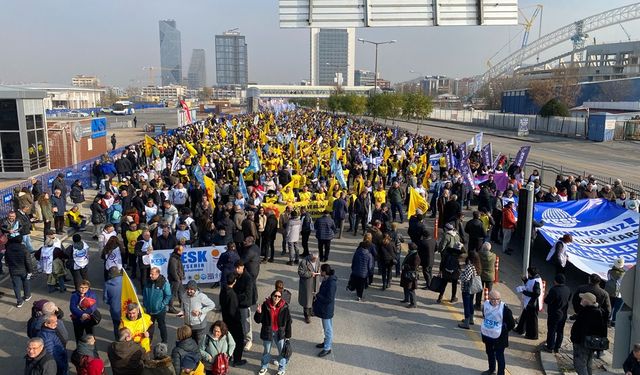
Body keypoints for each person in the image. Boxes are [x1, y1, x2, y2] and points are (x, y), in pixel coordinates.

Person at [254, 289, 292, 375]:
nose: (277, 298)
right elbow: (258, 320)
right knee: (267, 351)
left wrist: (288, 335)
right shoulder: (265, 305)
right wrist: (258, 313)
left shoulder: (284, 307)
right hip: (268, 332)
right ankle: (264, 366)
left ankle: (282, 369)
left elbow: (288, 321)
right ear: (272, 296)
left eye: (279, 296)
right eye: (275, 296)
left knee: (282, 351)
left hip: (280, 332)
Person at [570, 292, 608, 375]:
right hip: (591, 343)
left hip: (582, 342)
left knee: (580, 365)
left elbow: (582, 328)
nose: (581, 300)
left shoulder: (588, 312)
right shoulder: (599, 312)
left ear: (587, 301)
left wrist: (575, 339)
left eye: (583, 299)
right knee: (588, 363)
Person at [480, 290, 516, 375]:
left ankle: (501, 373)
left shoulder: (505, 309)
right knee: (489, 353)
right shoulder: (485, 305)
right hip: (488, 334)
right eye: (493, 299)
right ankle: (491, 370)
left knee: (499, 356)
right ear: (489, 298)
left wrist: (504, 330)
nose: (495, 301)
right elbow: (485, 316)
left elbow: (512, 324)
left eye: (497, 299)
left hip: (500, 337)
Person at [219, 274, 246, 367]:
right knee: (239, 340)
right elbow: (233, 311)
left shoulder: (223, 291)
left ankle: (228, 356)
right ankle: (237, 359)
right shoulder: (232, 294)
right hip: (234, 322)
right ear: (234, 282)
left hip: (225, 320)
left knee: (228, 339)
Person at [313, 264, 337, 357]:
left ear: (324, 272)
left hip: (327, 309)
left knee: (328, 329)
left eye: (321, 271)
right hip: (326, 309)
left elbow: (329, 299)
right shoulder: (327, 279)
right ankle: (326, 342)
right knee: (326, 328)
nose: (320, 272)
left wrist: (317, 295)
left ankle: (327, 348)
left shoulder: (331, 283)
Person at [181, 280, 216, 345]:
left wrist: (200, 312)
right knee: (190, 343)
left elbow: (212, 305)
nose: (189, 291)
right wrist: (182, 312)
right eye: (188, 289)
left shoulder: (201, 296)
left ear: (195, 289)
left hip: (199, 325)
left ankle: (199, 354)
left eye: (191, 289)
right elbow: (183, 305)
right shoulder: (184, 295)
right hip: (188, 324)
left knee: (199, 343)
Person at [143, 266, 172, 344]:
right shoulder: (147, 282)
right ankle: (148, 342)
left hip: (160, 311)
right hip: (149, 310)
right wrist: (145, 304)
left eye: (152, 274)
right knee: (149, 327)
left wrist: (161, 305)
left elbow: (168, 295)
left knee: (161, 326)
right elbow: (145, 294)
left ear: (157, 274)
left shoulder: (164, 283)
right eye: (150, 274)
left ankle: (164, 342)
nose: (150, 275)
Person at [544, 273, 571, 353]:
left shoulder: (554, 290)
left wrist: (547, 295)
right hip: (563, 313)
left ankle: (550, 347)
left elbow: (547, 301)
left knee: (552, 330)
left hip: (554, 313)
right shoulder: (567, 289)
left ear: (556, 281)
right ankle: (557, 347)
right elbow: (568, 298)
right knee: (560, 331)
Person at [514, 267, 542, 340]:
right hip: (529, 302)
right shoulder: (534, 278)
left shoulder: (536, 281)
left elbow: (536, 293)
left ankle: (532, 335)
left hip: (532, 303)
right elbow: (530, 285)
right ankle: (520, 329)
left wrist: (524, 292)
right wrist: (525, 280)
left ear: (530, 273)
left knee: (532, 320)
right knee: (524, 316)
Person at [233, 260, 256, 351]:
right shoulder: (236, 275)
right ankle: (242, 338)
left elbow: (247, 294)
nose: (236, 269)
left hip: (244, 304)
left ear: (242, 267)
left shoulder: (248, 278)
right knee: (240, 322)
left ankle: (249, 340)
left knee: (246, 323)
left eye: (238, 268)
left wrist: (235, 297)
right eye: (235, 268)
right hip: (237, 303)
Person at [5, 235, 33, 307]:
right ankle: (27, 296)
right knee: (26, 282)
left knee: (16, 286)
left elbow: (6, 261)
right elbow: (28, 261)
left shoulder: (8, 249)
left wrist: (10, 266)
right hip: (23, 269)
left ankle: (19, 301)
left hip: (13, 270)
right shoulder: (24, 249)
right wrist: (30, 271)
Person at [458, 251, 481, 329]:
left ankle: (466, 322)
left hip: (467, 288)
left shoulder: (470, 266)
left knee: (466, 304)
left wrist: (461, 274)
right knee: (471, 303)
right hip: (473, 288)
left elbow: (466, 278)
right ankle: (471, 319)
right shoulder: (477, 266)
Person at [298, 252, 320, 323]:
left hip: (315, 283)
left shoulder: (317, 260)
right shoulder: (304, 262)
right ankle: (307, 315)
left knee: (313, 298)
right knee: (307, 300)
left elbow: (319, 267)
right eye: (314, 258)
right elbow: (300, 272)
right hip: (307, 284)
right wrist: (310, 274)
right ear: (310, 256)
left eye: (316, 259)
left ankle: (311, 311)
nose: (315, 260)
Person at [104, 266, 123, 339]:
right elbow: (134, 292)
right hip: (127, 309)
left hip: (114, 310)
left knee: (116, 326)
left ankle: (118, 341)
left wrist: (112, 302)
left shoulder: (107, 284)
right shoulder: (125, 281)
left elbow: (105, 299)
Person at [606, 257, 626, 327]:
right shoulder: (624, 274)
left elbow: (608, 279)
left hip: (610, 292)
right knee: (617, 309)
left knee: (609, 307)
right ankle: (614, 321)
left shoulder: (610, 271)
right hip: (620, 294)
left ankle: (607, 320)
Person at [400, 243, 421, 308]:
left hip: (411, 275)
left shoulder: (415, 255)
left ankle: (413, 303)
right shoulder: (411, 253)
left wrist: (406, 266)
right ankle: (406, 299)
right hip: (406, 273)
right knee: (406, 286)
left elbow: (414, 267)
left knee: (411, 289)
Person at [477, 242, 496, 310]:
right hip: (490, 277)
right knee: (489, 292)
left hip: (481, 275)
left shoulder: (479, 255)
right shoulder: (493, 256)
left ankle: (477, 304)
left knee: (479, 291)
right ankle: (488, 306)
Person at [168, 245, 185, 314]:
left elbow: (180, 267)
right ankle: (171, 308)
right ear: (178, 251)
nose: (183, 252)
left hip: (178, 278)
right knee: (173, 293)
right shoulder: (173, 259)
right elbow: (173, 270)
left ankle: (182, 304)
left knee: (180, 292)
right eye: (182, 250)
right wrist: (177, 279)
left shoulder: (177, 257)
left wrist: (182, 275)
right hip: (175, 279)